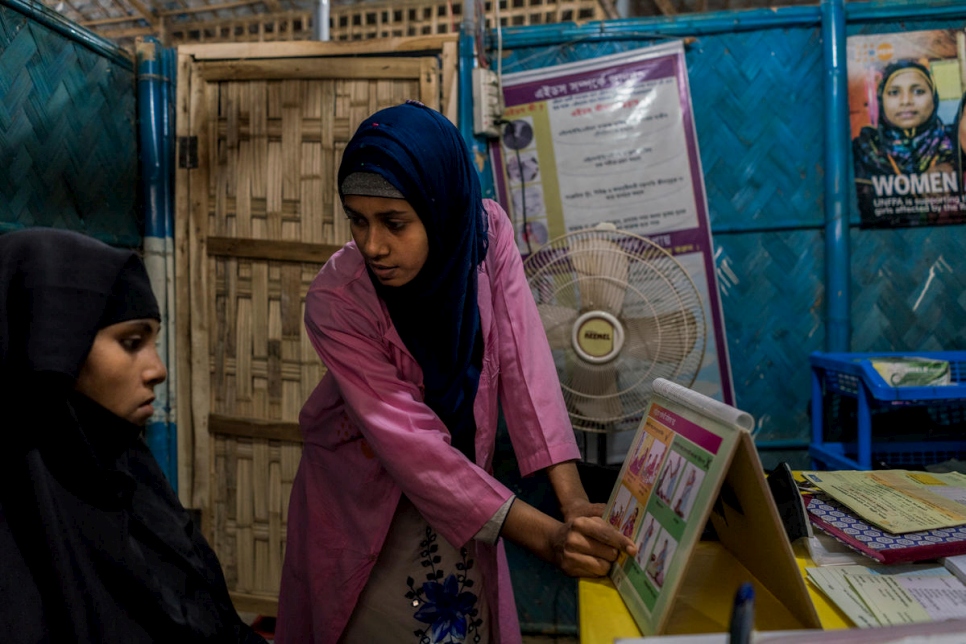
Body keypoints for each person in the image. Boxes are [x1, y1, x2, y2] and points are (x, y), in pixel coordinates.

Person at [275, 101, 636, 643]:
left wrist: (574, 499)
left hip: (465, 496)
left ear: (441, 209)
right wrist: (547, 539)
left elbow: (524, 361)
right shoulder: (337, 301)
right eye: (357, 219)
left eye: (394, 222)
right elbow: (412, 447)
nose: (372, 245)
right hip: (362, 498)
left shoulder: (485, 236)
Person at [0, 228, 265, 644]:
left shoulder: (130, 478)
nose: (157, 369)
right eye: (131, 342)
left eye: (153, 342)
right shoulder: (20, 524)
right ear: (53, 347)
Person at [852, 59, 956, 218]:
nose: (906, 101)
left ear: (934, 99)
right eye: (894, 92)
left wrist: (952, 164)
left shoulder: (956, 143)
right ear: (881, 101)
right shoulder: (862, 151)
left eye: (918, 91)